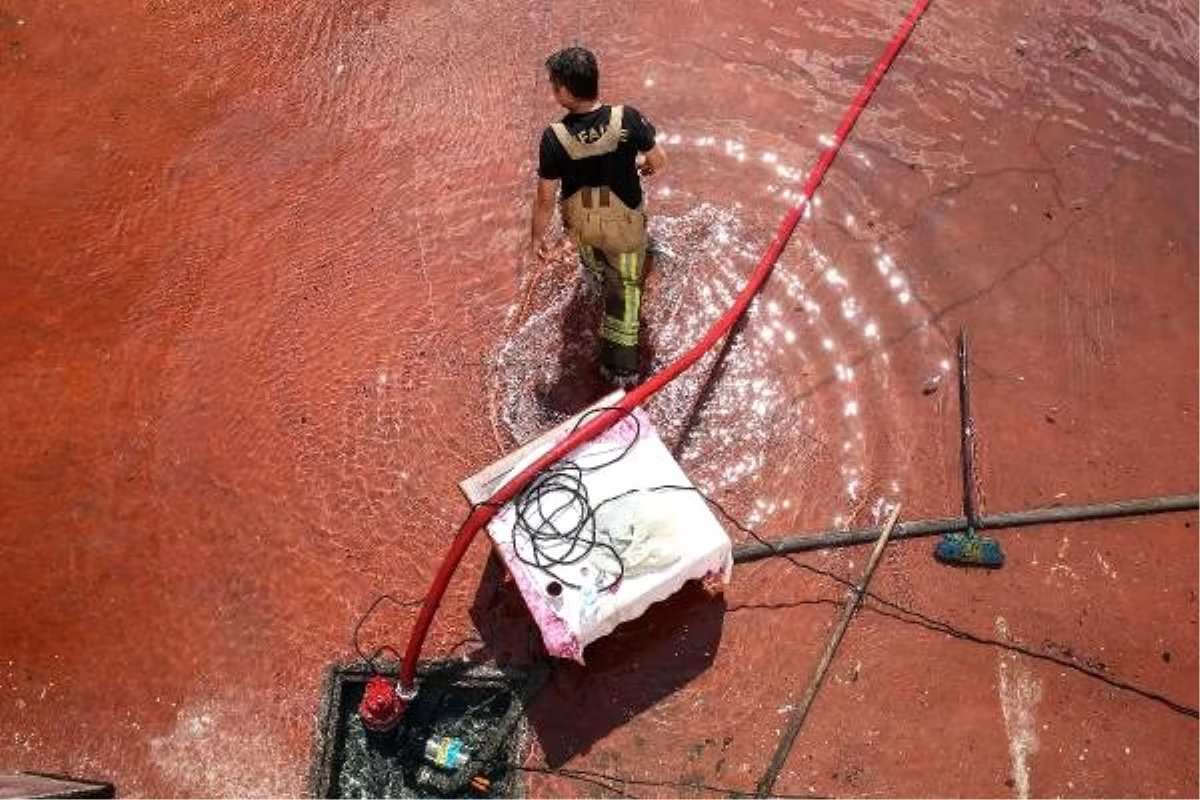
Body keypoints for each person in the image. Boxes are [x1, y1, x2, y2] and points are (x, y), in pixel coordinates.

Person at [529, 46, 667, 386]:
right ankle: (621, 368)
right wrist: (641, 166)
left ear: (562, 90)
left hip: (583, 223)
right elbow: (658, 161)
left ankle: (594, 278)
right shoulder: (628, 118)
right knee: (627, 286)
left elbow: (545, 197)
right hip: (624, 224)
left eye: (552, 85)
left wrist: (536, 238)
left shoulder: (554, 138)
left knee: (594, 260)